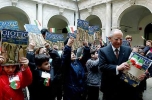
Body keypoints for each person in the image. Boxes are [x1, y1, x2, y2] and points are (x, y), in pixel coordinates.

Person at [98, 29, 146, 100]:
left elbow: (132, 67)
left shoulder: (127, 50)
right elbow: (102, 67)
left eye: (121, 39)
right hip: (109, 87)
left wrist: (138, 75)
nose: (119, 42)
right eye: (116, 39)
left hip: (125, 87)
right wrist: (118, 67)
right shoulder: (103, 51)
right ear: (109, 39)